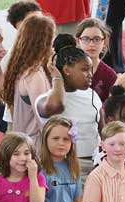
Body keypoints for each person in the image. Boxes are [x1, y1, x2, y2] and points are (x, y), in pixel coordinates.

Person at [35, 35, 103, 178]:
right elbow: (57, 105)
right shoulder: (44, 100)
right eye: (84, 69)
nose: (90, 75)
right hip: (63, 168)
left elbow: (102, 129)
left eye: (91, 70)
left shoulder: (92, 95)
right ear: (66, 70)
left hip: (96, 165)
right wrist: (57, 77)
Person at [0, 13, 55, 141]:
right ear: (44, 41)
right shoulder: (34, 75)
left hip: (24, 140)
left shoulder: (19, 68)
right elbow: (43, 118)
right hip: (35, 143)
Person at [75, 18, 118, 101]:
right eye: (86, 39)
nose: (91, 44)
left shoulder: (110, 76)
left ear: (104, 43)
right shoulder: (69, 70)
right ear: (78, 41)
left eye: (97, 39)